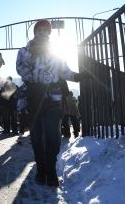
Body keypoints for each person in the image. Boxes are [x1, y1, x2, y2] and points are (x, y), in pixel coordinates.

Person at [16, 19, 90, 187]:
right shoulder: (25, 51)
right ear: (35, 32)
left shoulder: (56, 52)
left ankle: (51, 169)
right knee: (36, 137)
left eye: (46, 31)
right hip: (34, 98)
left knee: (54, 137)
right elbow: (20, 68)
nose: (43, 33)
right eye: (40, 30)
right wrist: (36, 80)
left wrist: (79, 76)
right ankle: (41, 170)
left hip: (53, 99)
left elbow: (65, 71)